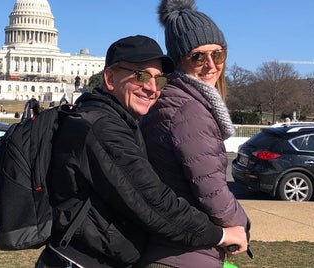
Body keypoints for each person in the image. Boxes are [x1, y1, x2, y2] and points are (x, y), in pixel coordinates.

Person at [36, 35, 248, 268]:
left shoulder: (117, 121)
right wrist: (221, 235)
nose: (152, 88)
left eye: (159, 79)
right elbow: (152, 203)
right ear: (110, 78)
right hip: (80, 261)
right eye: (141, 76)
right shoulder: (101, 127)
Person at [138, 1, 250, 267]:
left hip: (168, 247)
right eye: (198, 56)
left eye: (218, 54)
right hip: (182, 254)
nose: (211, 65)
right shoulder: (188, 110)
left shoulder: (172, 99)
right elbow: (211, 189)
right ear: (178, 60)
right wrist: (241, 225)